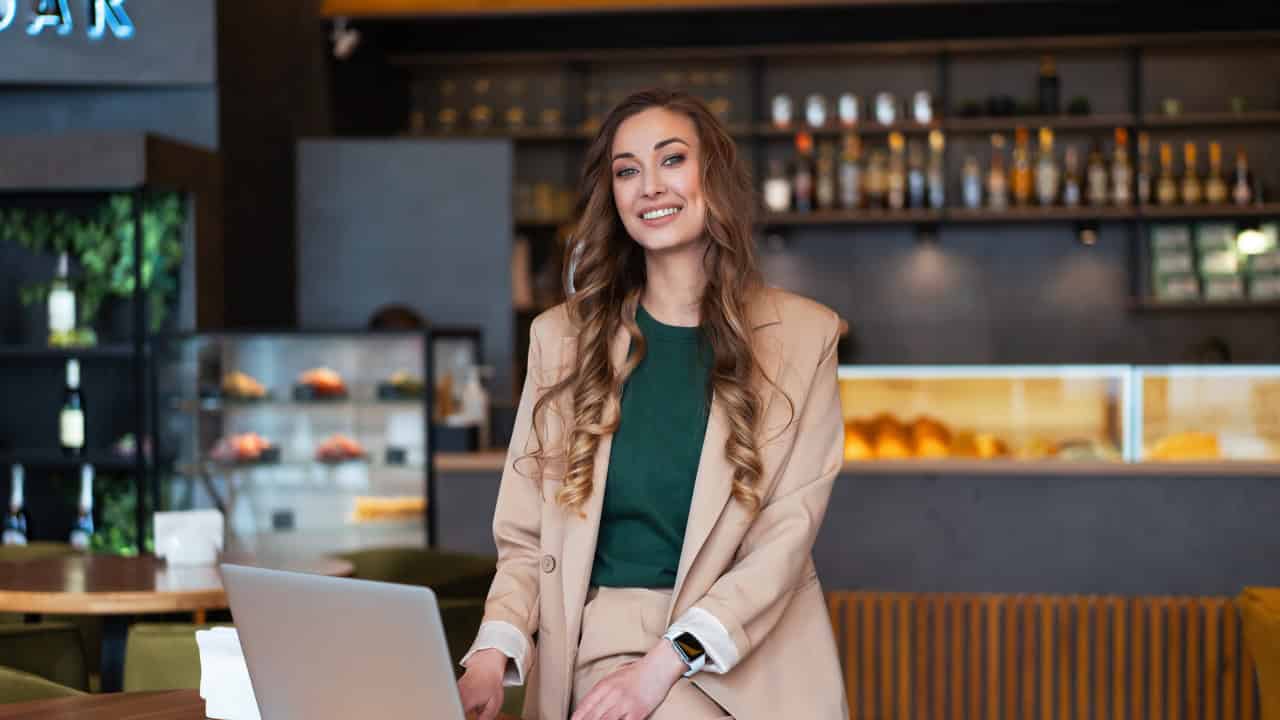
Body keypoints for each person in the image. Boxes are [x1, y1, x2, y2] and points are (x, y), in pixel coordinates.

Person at [457, 89, 847, 720]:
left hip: (752, 658)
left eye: (671, 160)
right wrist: (492, 651)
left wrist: (663, 666)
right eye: (627, 170)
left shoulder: (805, 338)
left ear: (712, 176)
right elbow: (527, 536)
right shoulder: (560, 340)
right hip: (605, 646)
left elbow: (785, 538)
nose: (649, 187)